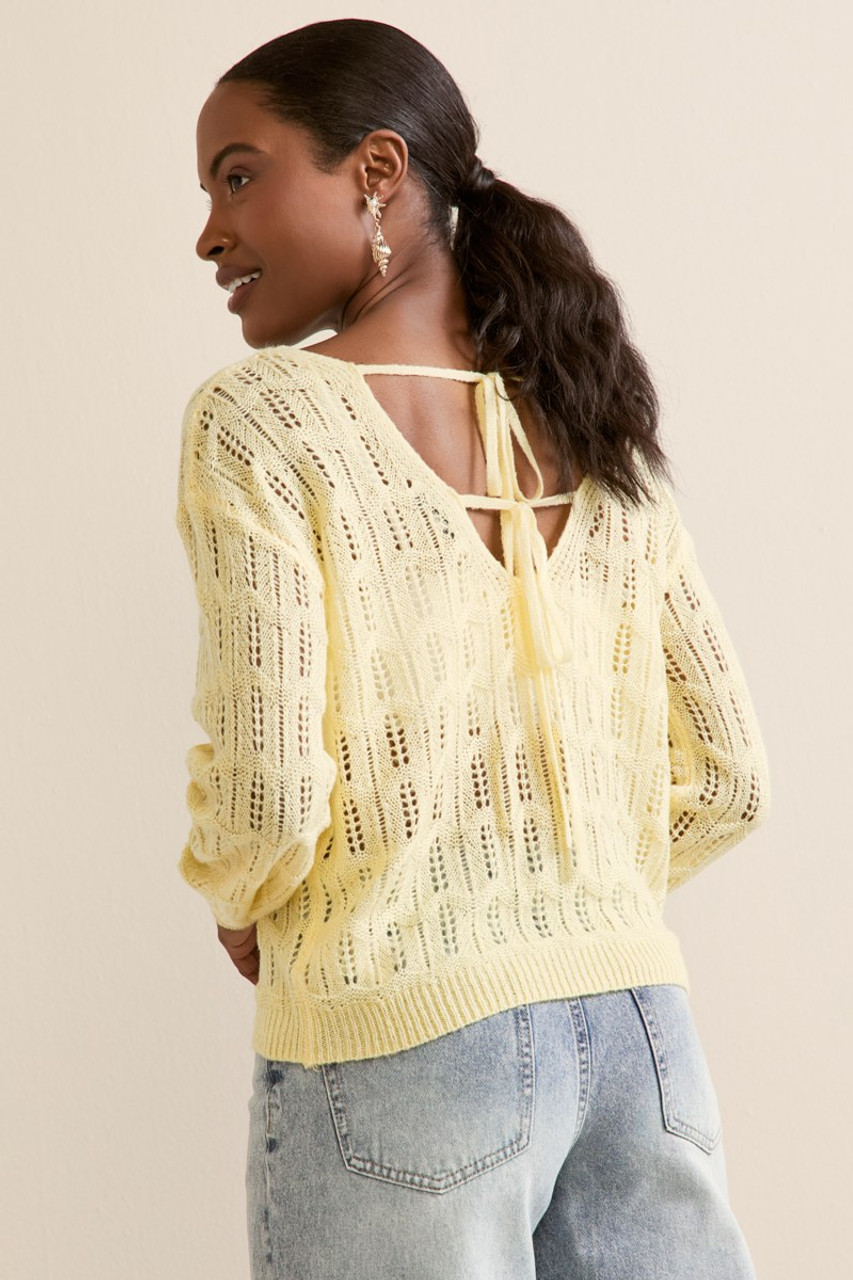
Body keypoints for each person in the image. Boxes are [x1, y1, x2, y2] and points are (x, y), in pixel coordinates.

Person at [176, 17, 771, 1280]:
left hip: (399, 1032)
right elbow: (728, 776)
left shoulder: (263, 418)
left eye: (238, 175)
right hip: (640, 1031)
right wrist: (555, 891)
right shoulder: (588, 410)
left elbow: (270, 797)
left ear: (376, 169)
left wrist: (247, 899)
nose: (210, 233)